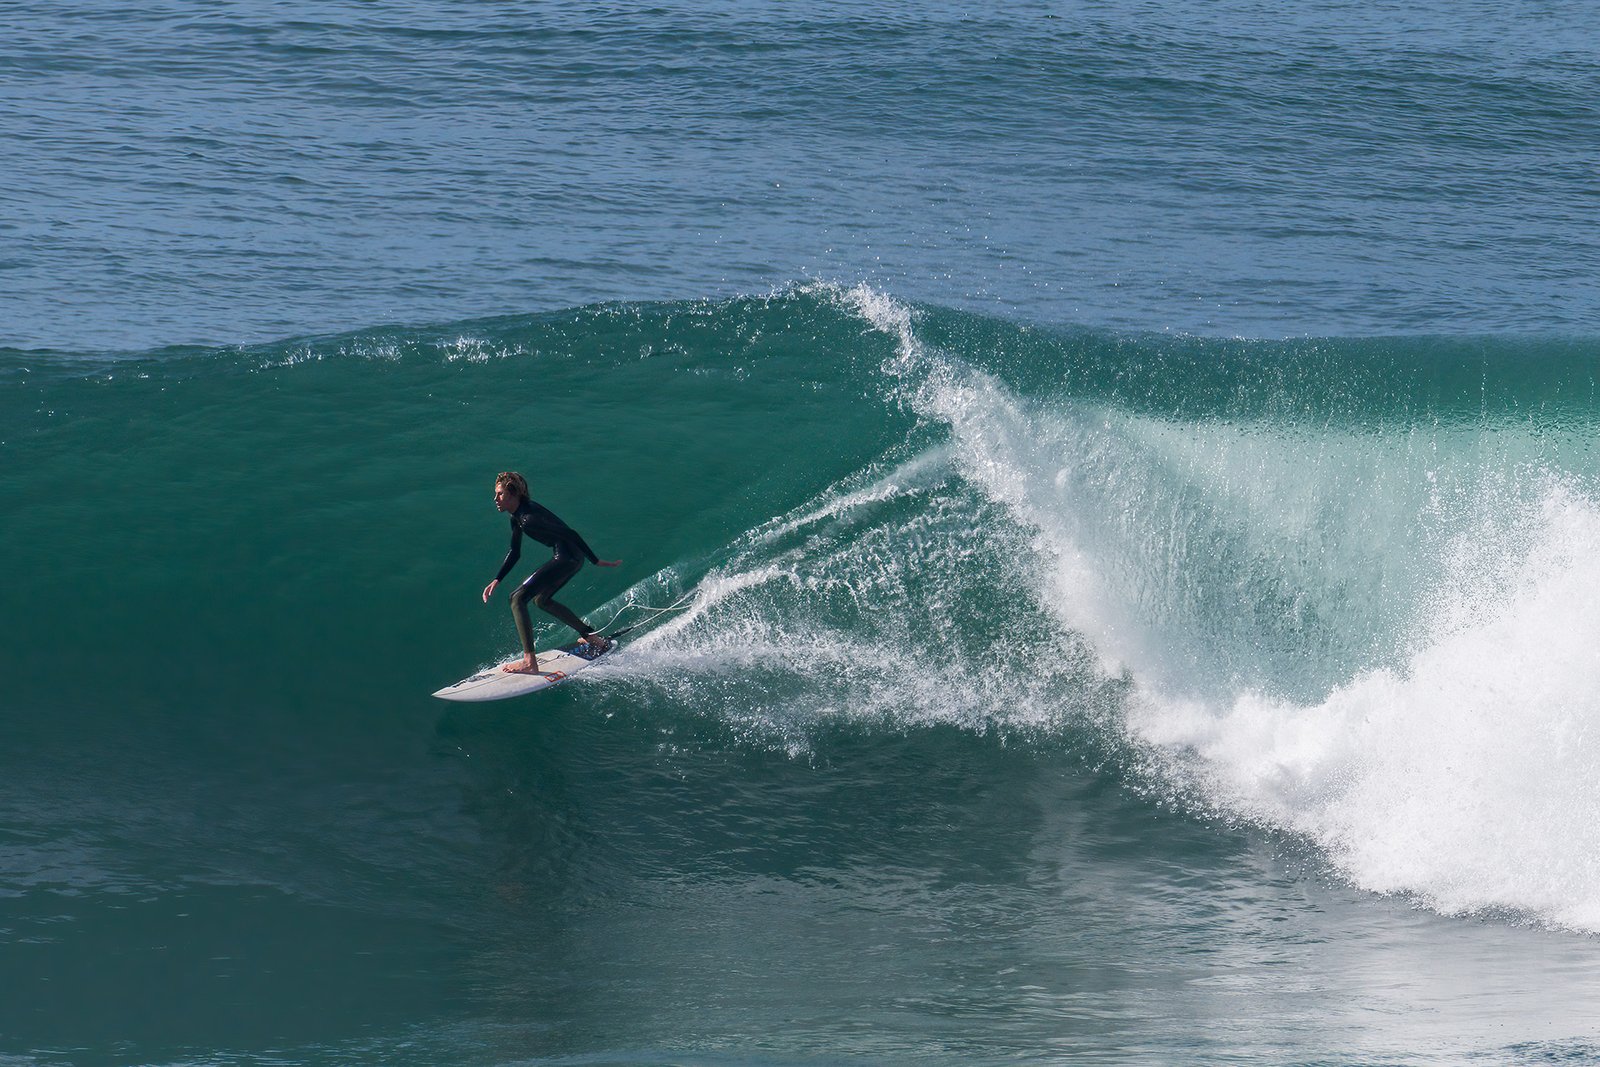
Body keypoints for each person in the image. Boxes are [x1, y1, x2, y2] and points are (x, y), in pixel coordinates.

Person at [481, 471, 621, 676]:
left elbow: (571, 533)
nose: (495, 499)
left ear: (513, 495)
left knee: (517, 598)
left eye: (500, 494)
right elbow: (515, 552)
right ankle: (592, 637)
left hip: (567, 557)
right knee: (541, 600)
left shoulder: (529, 518)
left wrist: (596, 560)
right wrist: (497, 579)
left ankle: (530, 662)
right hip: (569, 556)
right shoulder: (517, 517)